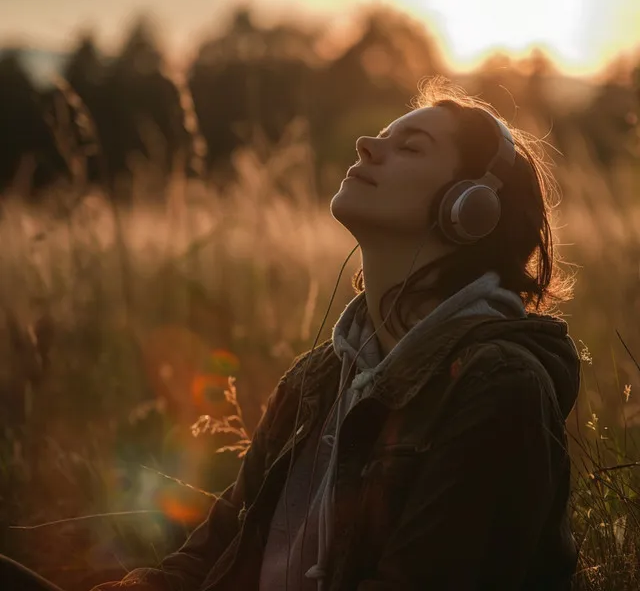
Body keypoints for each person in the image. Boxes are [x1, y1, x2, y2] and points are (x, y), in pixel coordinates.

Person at [2, 78, 581, 590]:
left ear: (469, 208)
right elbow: (213, 553)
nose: (366, 145)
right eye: (381, 134)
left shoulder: (497, 388)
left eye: (410, 146)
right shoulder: (318, 378)